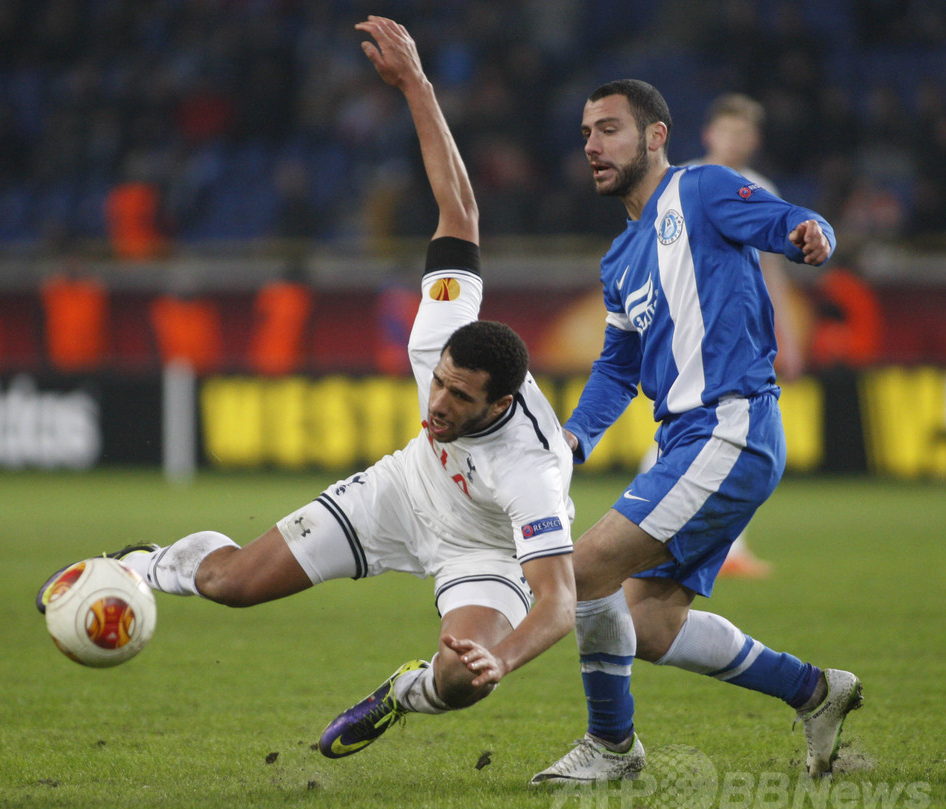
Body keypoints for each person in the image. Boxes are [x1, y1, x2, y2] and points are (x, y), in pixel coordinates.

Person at [36, 16, 576, 760]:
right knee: (230, 583)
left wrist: (502, 658)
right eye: (439, 383)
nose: (438, 402)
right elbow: (460, 209)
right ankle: (137, 563)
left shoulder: (533, 469)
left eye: (458, 398)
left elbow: (560, 601)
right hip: (402, 493)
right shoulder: (440, 331)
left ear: (501, 404)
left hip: (481, 550)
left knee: (463, 682)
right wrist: (416, 84)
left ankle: (400, 693)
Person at [530, 79, 861, 785]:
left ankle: (612, 749)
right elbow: (618, 366)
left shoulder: (704, 190)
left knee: (584, 568)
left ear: (656, 136)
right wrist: (574, 437)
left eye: (610, 129)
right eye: (586, 132)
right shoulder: (619, 261)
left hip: (731, 425)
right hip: (690, 441)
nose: (592, 145)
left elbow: (788, 220)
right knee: (646, 624)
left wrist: (813, 234)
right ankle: (814, 691)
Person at [689, 92, 803, 578]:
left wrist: (790, 337)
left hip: (742, 335)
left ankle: (720, 547)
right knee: (701, 428)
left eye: (743, 132)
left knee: (717, 430)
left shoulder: (759, 189)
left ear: (753, 140)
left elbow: (775, 274)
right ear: (709, 134)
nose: (734, 139)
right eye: (727, 129)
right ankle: (648, 534)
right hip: (692, 326)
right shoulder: (681, 183)